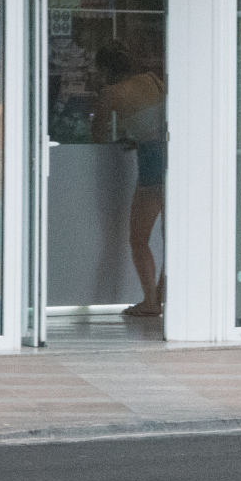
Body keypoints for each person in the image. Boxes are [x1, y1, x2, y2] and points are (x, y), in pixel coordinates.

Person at [93, 42, 168, 317]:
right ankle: (162, 295)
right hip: (174, 156)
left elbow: (98, 134)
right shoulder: (152, 79)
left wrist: (126, 138)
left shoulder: (110, 93)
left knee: (138, 239)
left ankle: (150, 302)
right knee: (173, 237)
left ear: (104, 69)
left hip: (151, 162)